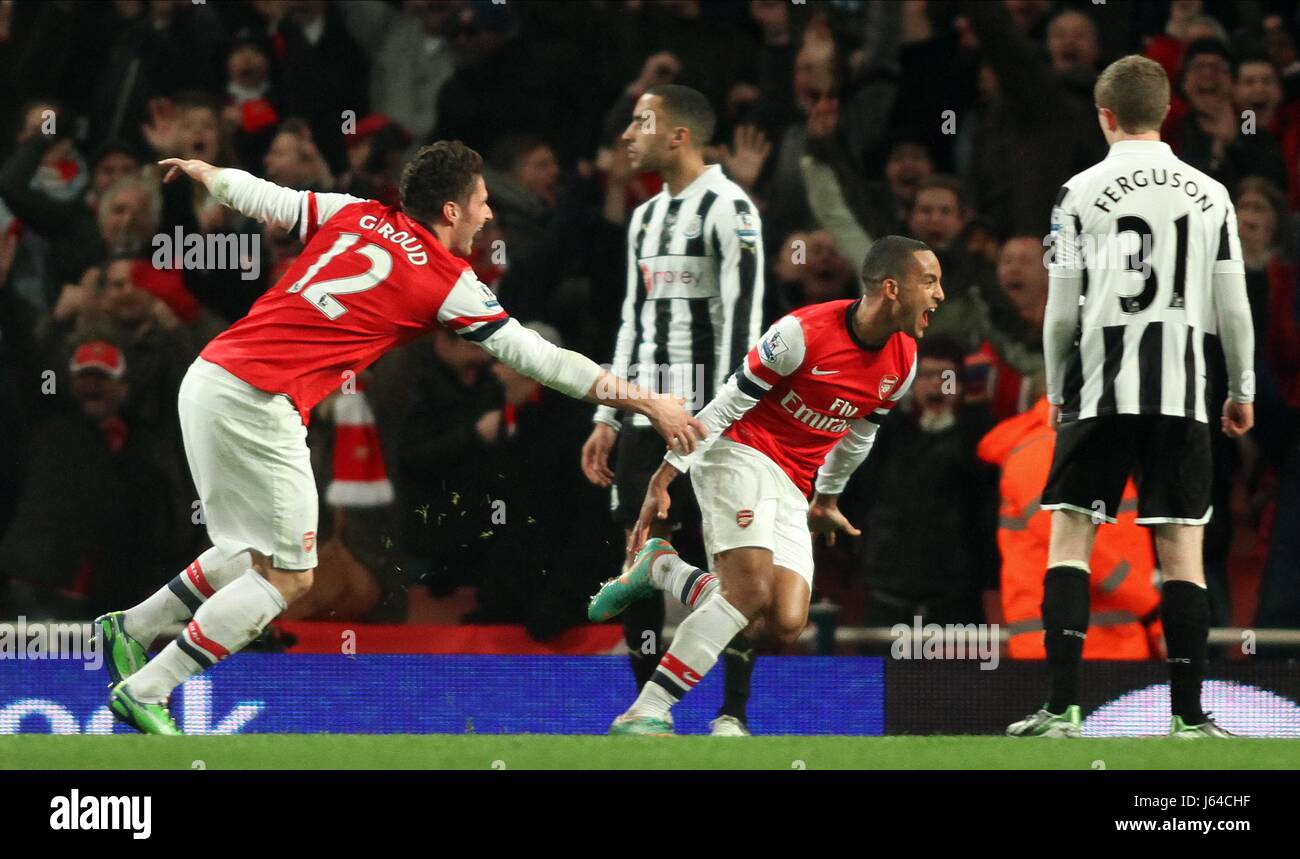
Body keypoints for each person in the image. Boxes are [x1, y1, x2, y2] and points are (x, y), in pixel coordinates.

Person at [94, 140, 705, 735]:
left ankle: (134, 627)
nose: (489, 213)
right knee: (289, 578)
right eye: (482, 201)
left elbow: (274, 200)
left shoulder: (357, 212)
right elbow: (542, 359)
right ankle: (149, 689)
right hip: (260, 399)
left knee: (249, 551)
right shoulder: (447, 281)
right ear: (451, 212)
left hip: (209, 376)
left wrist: (210, 173)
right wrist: (645, 399)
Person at [589, 235, 942, 735]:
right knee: (748, 592)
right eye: (929, 281)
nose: (939, 295)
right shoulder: (801, 333)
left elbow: (858, 437)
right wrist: (668, 471)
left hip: (793, 485)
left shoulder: (903, 362)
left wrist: (827, 498)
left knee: (781, 623)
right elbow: (728, 403)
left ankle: (663, 568)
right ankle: (646, 710)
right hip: (739, 452)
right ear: (891, 288)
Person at [1007, 56, 1254, 739]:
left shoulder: (1078, 192)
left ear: (1105, 115)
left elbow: (1061, 310)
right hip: (1183, 392)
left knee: (1071, 537)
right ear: (1167, 110)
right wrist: (1242, 388)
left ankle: (1061, 708)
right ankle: (1189, 716)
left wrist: (1058, 389)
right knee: (1183, 551)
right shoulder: (1211, 193)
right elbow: (1233, 306)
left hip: (1100, 389)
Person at [580, 84, 765, 736]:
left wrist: (724, 422)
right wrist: (607, 414)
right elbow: (633, 319)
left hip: (712, 420)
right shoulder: (644, 217)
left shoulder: (730, 208)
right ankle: (647, 714)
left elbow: (745, 326)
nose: (628, 135)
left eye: (640, 122)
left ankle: (732, 714)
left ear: (678, 135)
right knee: (639, 563)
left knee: (733, 561)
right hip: (643, 417)